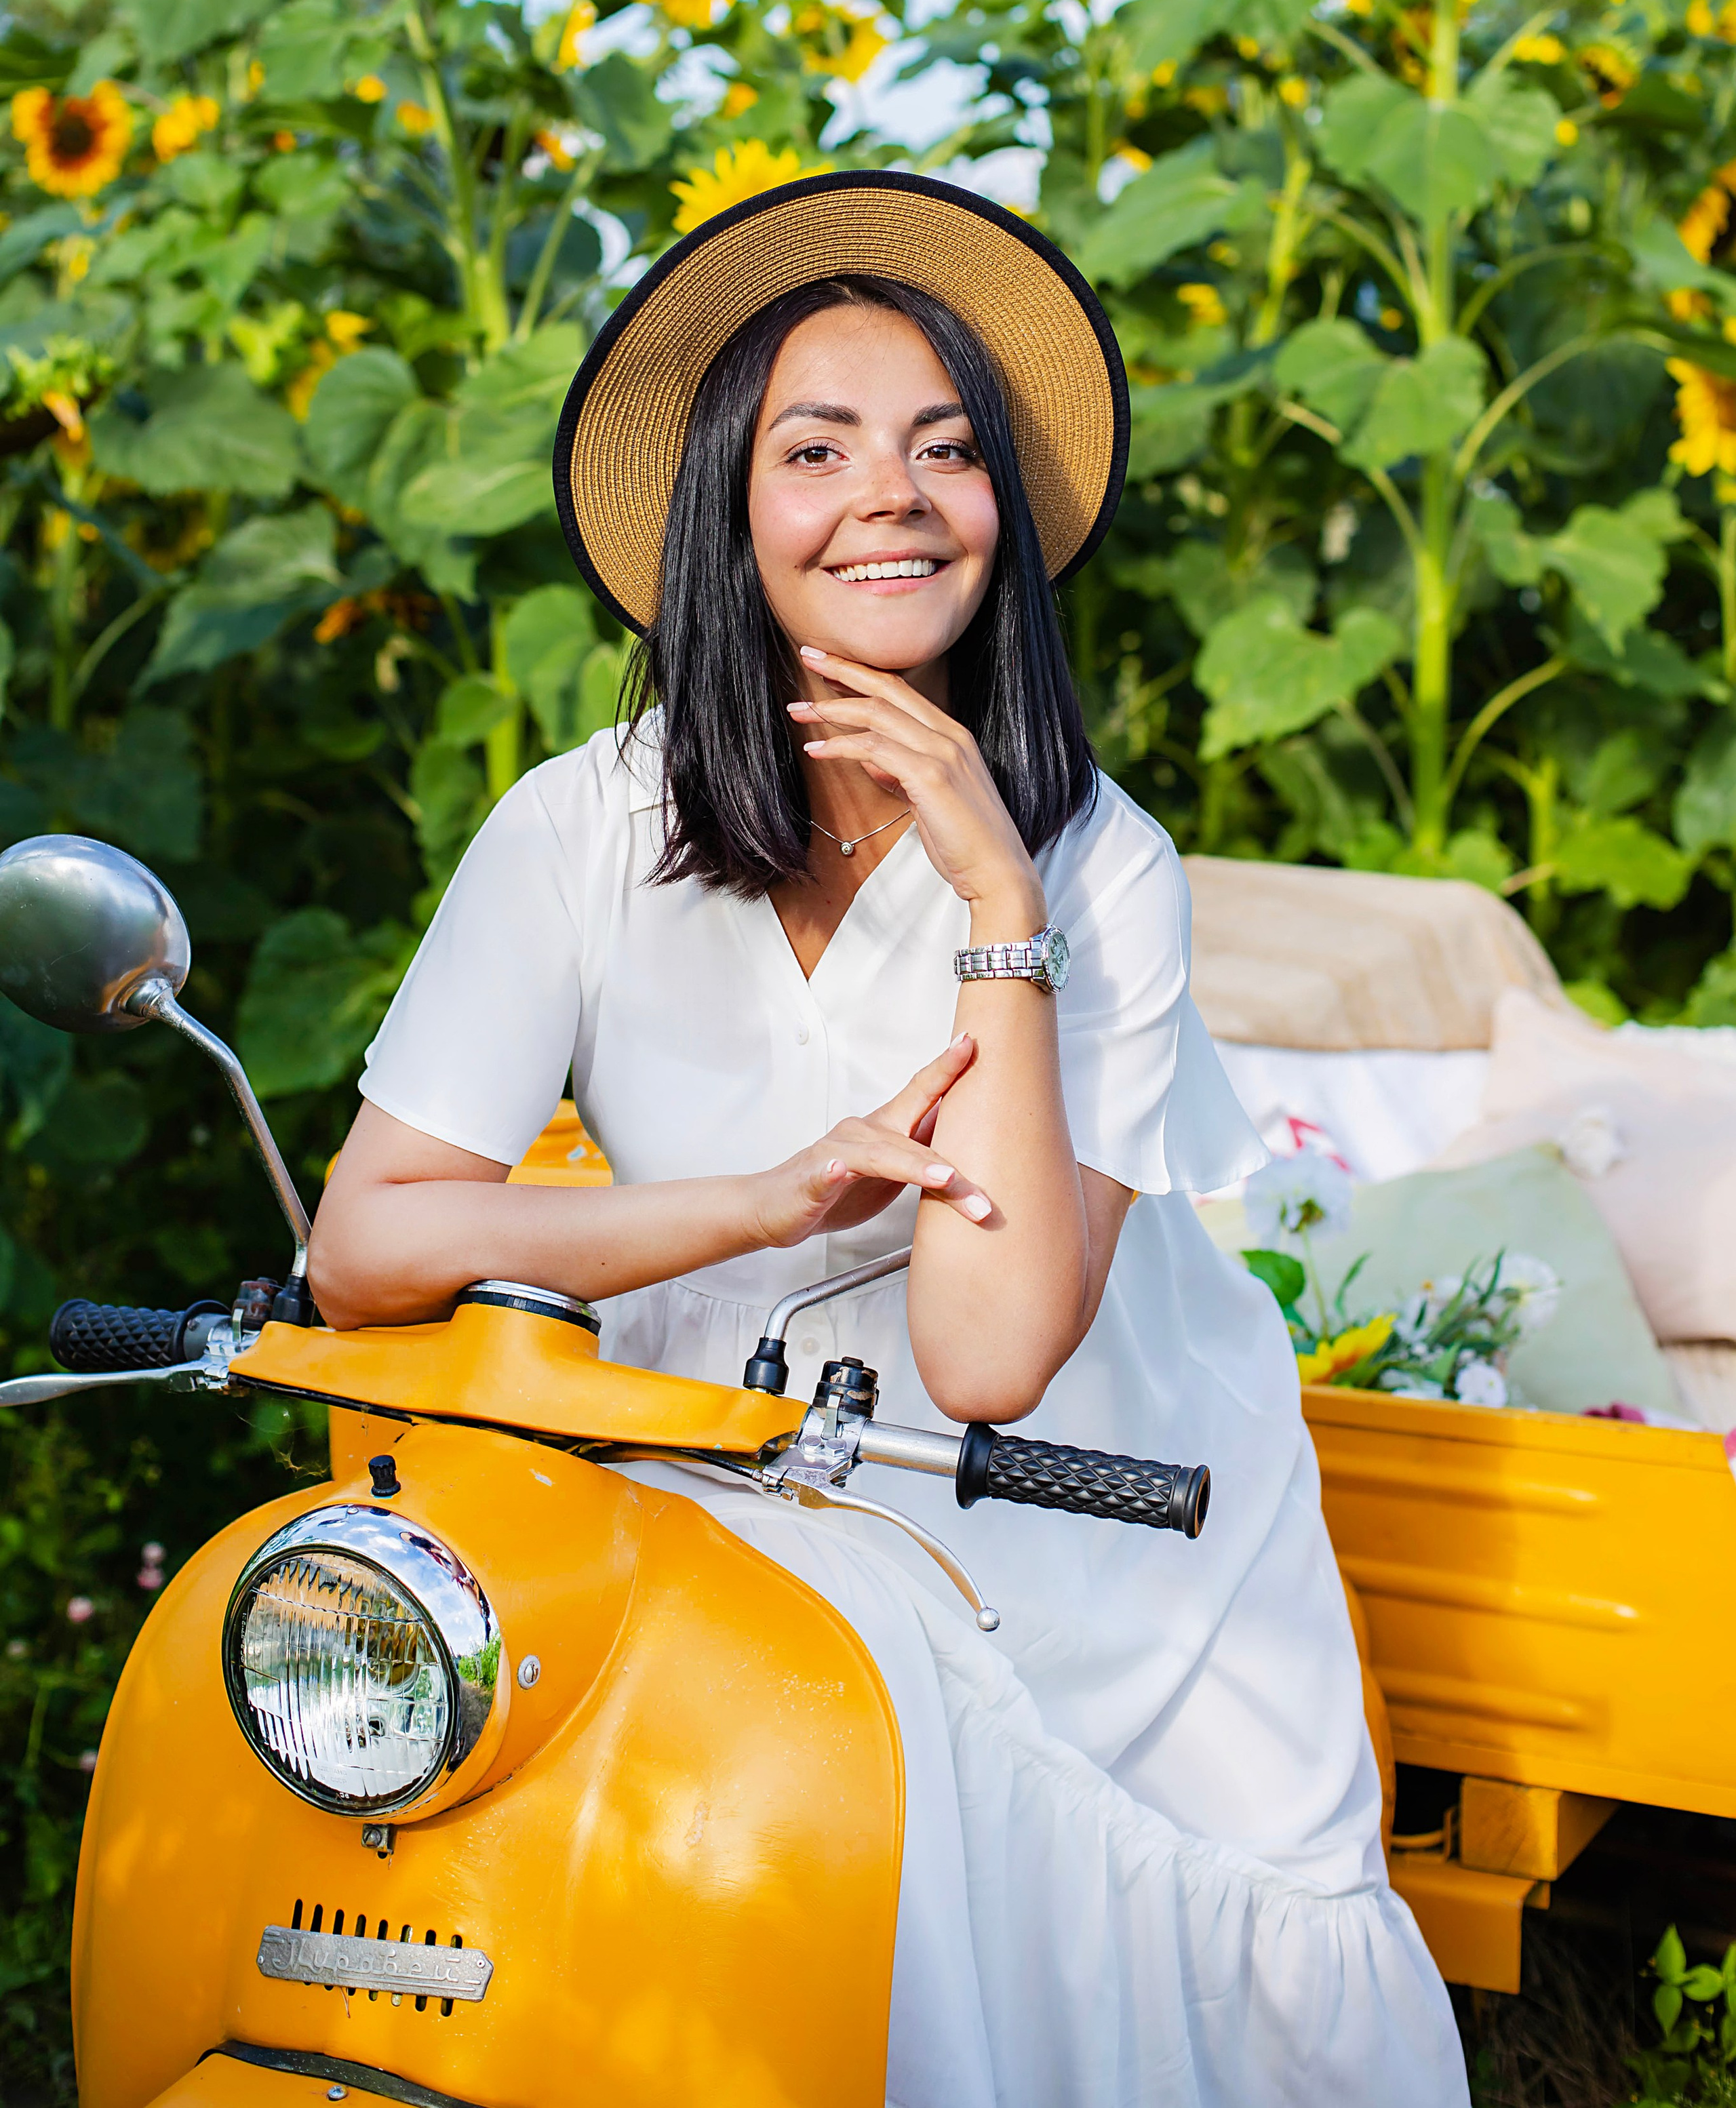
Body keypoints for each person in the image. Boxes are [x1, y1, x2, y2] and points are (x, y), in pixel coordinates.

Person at [311, 172, 1467, 2107]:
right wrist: (760, 1202)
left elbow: (993, 1352)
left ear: (1000, 516)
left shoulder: (1097, 863)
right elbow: (369, 1240)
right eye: (819, 448)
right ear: (727, 512)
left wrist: (995, 893)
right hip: (758, 1517)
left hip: (1112, 1526)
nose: (896, 497)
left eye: (949, 450)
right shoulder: (582, 827)